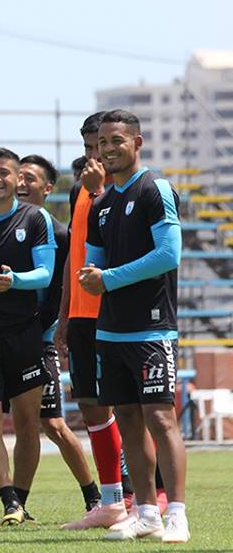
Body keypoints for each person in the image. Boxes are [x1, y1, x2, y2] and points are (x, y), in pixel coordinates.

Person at [80, 110, 187, 543]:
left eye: (117, 140)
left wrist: (107, 278)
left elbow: (169, 254)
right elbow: (94, 262)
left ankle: (176, 513)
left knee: (160, 418)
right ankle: (145, 513)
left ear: (137, 143)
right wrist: (91, 275)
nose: (108, 149)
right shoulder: (101, 204)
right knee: (126, 420)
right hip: (110, 330)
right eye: (102, 142)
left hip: (152, 329)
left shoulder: (154, 188)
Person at [0, 147, 55, 527]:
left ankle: (21, 500)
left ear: (18, 179)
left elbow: (46, 273)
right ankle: (7, 501)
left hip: (24, 335)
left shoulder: (35, 218)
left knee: (27, 424)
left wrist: (15, 280)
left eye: (4, 172)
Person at [55, 113, 135, 530]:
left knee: (131, 407)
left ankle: (146, 496)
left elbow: (122, 239)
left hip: (115, 311)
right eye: (89, 148)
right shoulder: (79, 191)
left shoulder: (125, 189)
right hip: (82, 315)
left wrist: (100, 190)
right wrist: (65, 314)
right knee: (90, 406)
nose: (95, 157)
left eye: (100, 147)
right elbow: (75, 253)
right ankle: (112, 500)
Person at [15, 154, 101, 517]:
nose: (21, 184)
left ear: (48, 188)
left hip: (39, 339)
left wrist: (43, 329)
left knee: (51, 423)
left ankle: (93, 495)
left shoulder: (59, 232)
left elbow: (58, 289)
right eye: (18, 176)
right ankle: (7, 504)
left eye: (29, 178)